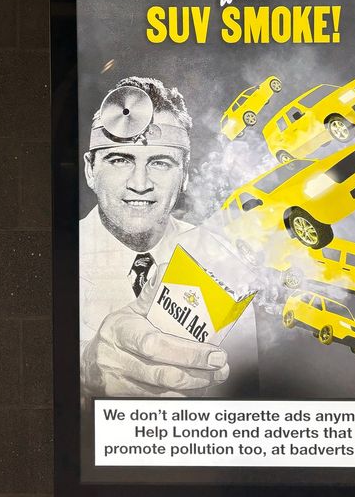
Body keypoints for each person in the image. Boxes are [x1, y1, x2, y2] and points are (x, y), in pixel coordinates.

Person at [79, 75, 257, 398]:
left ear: (185, 174)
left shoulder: (225, 267)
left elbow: (243, 404)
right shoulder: (56, 258)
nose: (140, 183)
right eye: (121, 160)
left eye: (160, 163)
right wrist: (86, 368)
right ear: (90, 170)